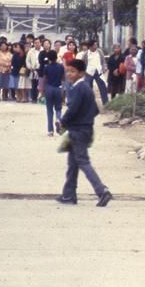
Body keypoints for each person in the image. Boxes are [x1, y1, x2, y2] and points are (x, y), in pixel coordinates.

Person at [54, 59, 112, 207]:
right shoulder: (85, 87)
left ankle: (102, 191)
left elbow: (72, 109)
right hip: (84, 129)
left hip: (78, 131)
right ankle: (69, 195)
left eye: (73, 71)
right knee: (73, 163)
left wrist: (63, 122)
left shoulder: (78, 88)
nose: (69, 74)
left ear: (81, 73)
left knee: (83, 162)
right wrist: (85, 119)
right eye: (68, 71)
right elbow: (95, 110)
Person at [41, 51, 66, 136]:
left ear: (48, 58)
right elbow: (63, 78)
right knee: (58, 108)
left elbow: (44, 79)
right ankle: (58, 119)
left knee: (49, 110)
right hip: (58, 88)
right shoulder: (61, 67)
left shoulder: (46, 67)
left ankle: (50, 131)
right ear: (56, 57)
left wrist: (42, 91)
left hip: (49, 88)